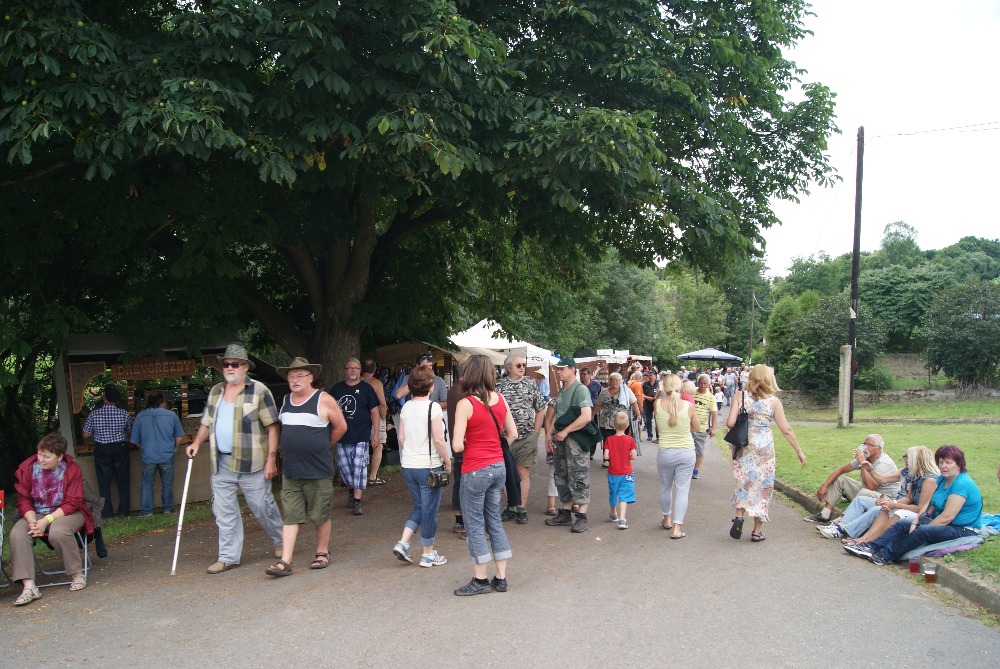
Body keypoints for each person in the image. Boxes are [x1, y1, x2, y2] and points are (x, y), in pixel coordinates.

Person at [186, 342, 285, 574]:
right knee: (224, 512)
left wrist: (272, 460)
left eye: (235, 364)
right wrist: (196, 443)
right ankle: (228, 557)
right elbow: (206, 422)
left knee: (262, 507)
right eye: (227, 364)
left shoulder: (259, 390)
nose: (230, 367)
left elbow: (272, 426)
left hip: (253, 463)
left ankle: (281, 541)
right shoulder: (216, 391)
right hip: (221, 462)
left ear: (245, 367)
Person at [266, 358, 347, 577]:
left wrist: (323, 445)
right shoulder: (285, 400)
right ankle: (285, 561)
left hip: (317, 471)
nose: (294, 380)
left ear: (310, 377)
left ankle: (322, 553)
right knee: (290, 516)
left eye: (299, 376)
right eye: (291, 376)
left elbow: (341, 427)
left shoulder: (324, 399)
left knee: (320, 514)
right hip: (291, 472)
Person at [846, 445, 983, 565]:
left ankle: (884, 555)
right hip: (944, 523)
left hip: (962, 529)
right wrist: (916, 521)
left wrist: (923, 527)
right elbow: (929, 504)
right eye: (941, 462)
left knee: (922, 531)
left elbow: (947, 517)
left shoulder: (961, 484)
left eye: (948, 463)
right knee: (902, 524)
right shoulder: (942, 478)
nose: (943, 466)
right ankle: (871, 547)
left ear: (959, 464)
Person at [451, 354, 517, 595]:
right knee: (494, 521)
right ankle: (501, 577)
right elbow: (513, 433)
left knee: (474, 524)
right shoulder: (500, 399)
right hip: (498, 467)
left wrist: (471, 443)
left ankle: (480, 579)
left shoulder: (465, 404)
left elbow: (456, 445)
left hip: (475, 469)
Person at [10, 433, 95, 605]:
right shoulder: (28, 468)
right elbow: (23, 500)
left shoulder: (71, 468)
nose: (41, 459)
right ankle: (29, 586)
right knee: (17, 534)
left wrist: (46, 521)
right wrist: (33, 521)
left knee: (58, 531)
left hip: (67, 512)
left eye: (47, 456)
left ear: (60, 456)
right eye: (39, 454)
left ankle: (77, 574)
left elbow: (73, 502)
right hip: (36, 513)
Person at [727, 364, 807, 542]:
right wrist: (799, 451)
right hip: (764, 450)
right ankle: (757, 532)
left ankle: (739, 516)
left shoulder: (740, 396)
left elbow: (730, 423)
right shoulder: (773, 402)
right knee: (763, 486)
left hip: (744, 446)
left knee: (744, 481)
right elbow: (786, 429)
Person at [392, 365, 452, 567]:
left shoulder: (406, 407)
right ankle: (428, 553)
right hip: (429, 466)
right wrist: (447, 460)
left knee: (420, 506)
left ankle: (403, 542)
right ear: (431, 386)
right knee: (430, 511)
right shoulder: (433, 408)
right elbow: (439, 440)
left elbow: (401, 438)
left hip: (409, 465)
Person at [824, 445, 939, 543]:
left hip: (917, 513)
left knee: (879, 509)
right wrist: (870, 469)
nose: (905, 460)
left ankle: (860, 539)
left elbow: (920, 509)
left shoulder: (929, 480)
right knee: (862, 500)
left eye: (908, 458)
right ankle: (841, 527)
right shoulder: (913, 474)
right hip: (901, 503)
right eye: (905, 457)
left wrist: (894, 504)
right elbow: (902, 493)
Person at [545, 357, 595, 533]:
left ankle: (581, 516)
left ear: (573, 369)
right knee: (562, 475)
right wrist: (548, 435)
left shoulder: (580, 390)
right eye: (558, 369)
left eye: (562, 369)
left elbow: (586, 416)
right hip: (561, 441)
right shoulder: (562, 390)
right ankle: (565, 512)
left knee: (579, 476)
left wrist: (566, 431)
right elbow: (558, 416)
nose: (558, 372)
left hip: (575, 442)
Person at [497, 354, 548, 524]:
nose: (522, 368)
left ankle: (521, 508)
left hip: (526, 437)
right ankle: (511, 506)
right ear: (508, 368)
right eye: (518, 365)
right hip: (505, 439)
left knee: (523, 472)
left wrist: (535, 433)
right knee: (506, 472)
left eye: (523, 365)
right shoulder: (499, 386)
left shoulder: (530, 384)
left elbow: (540, 409)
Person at [803, 434, 900, 523]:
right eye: (864, 444)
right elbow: (841, 470)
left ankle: (841, 522)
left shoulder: (884, 463)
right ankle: (824, 515)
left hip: (885, 499)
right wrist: (825, 485)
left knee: (864, 492)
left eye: (869, 445)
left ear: (878, 449)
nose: (865, 447)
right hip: (866, 494)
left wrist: (862, 463)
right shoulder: (866, 457)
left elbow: (870, 487)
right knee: (840, 479)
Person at [332, 357, 382, 516]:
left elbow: (375, 413)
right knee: (345, 469)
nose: (353, 370)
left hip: (361, 435)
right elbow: (329, 411)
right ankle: (351, 489)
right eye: (350, 368)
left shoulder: (367, 389)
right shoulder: (337, 389)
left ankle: (357, 501)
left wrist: (375, 434)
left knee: (359, 466)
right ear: (345, 370)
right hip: (342, 436)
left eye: (356, 368)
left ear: (360, 371)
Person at [653, 374, 698, 539]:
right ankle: (677, 527)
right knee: (682, 490)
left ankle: (666, 518)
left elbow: (659, 428)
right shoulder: (689, 406)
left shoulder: (657, 404)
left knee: (665, 487)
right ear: (680, 387)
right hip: (686, 451)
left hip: (665, 451)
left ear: (664, 388)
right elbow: (697, 427)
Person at [82, 384, 133, 517]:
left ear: (104, 398)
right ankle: (123, 511)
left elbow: (86, 434)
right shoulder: (124, 413)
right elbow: (130, 430)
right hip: (120, 447)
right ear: (117, 400)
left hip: (102, 449)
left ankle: (106, 512)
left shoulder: (94, 414)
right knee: (123, 480)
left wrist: (98, 433)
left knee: (104, 482)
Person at [130, 391, 183, 516]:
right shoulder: (171, 415)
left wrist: (144, 448)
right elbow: (179, 436)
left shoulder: (140, 416)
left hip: (148, 456)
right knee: (167, 483)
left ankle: (147, 512)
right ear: (161, 402)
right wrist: (175, 448)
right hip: (167, 454)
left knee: (147, 484)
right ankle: (167, 509)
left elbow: (135, 440)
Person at [446, 356, 470, 538]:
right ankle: (462, 521)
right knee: (463, 484)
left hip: (459, 444)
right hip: (464, 445)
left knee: (460, 482)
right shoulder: (462, 392)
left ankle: (460, 520)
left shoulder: (454, 390)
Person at [595, 372, 640, 464]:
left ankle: (620, 459)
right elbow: (598, 405)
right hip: (606, 422)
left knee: (621, 441)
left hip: (621, 422)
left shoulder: (626, 391)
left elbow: (634, 403)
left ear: (620, 381)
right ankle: (607, 459)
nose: (614, 382)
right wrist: (592, 414)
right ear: (609, 381)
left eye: (617, 380)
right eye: (612, 380)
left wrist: (638, 415)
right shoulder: (604, 392)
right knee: (608, 440)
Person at [605, 412, 637, 530]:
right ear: (627, 425)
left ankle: (613, 513)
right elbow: (634, 456)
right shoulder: (630, 439)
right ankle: (622, 519)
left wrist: (613, 456)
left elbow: (606, 456)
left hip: (613, 472)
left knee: (613, 492)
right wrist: (627, 456)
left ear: (613, 424)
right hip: (626, 472)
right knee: (624, 495)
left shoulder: (609, 440)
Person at [360, 358, 388, 486]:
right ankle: (372, 476)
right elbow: (382, 404)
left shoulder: (354, 382)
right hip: (374, 416)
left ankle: (358, 475)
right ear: (375, 370)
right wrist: (383, 418)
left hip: (359, 417)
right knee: (378, 445)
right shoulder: (376, 383)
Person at [691, 374, 717, 480]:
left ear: (708, 384)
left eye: (705, 383)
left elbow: (714, 413)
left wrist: (713, 428)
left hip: (701, 428)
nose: (702, 385)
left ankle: (695, 470)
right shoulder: (692, 392)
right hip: (688, 426)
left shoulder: (711, 397)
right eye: (700, 383)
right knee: (686, 449)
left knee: (699, 450)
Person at [641, 372, 658, 442]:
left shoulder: (658, 383)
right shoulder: (645, 384)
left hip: (656, 403)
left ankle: (658, 436)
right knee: (648, 420)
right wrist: (647, 397)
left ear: (655, 376)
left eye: (651, 375)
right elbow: (641, 394)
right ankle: (649, 435)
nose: (650, 377)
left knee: (657, 420)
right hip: (647, 403)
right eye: (649, 375)